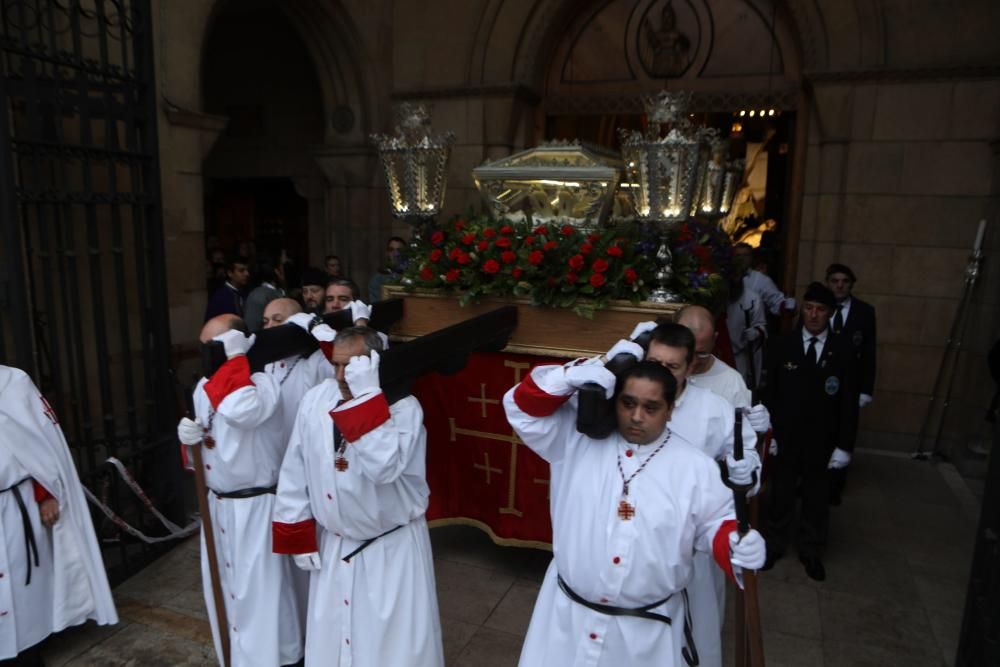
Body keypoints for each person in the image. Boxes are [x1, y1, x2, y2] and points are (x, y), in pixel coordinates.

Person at [504, 356, 766, 666]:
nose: (636, 416)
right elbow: (524, 409)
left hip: (644, 639)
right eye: (627, 404)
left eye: (650, 408)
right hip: (566, 624)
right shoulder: (574, 441)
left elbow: (716, 526)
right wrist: (569, 375)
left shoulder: (695, 468)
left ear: (670, 410)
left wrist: (737, 545)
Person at [272, 327, 444, 666]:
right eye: (335, 365)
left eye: (351, 366)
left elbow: (384, 465)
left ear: (373, 364)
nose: (340, 376)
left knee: (392, 650)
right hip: (334, 547)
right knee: (333, 646)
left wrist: (367, 397)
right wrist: (297, 530)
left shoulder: (404, 407)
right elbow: (296, 466)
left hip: (389, 550)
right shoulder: (317, 399)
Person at [623, 322, 765, 667]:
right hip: (637, 537)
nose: (660, 373)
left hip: (694, 545)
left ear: (690, 367)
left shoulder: (715, 409)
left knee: (697, 634)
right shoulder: (626, 404)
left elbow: (748, 463)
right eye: (654, 362)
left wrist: (746, 475)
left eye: (671, 367)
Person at [176, 315, 304, 666]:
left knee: (261, 596)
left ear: (238, 344)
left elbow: (241, 411)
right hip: (218, 507)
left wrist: (236, 361)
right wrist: (188, 439)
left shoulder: (261, 383)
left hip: (254, 506)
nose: (207, 356)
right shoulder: (206, 385)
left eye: (215, 347)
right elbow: (209, 441)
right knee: (228, 589)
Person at [0, 365, 118, 664]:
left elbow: (42, 443)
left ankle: (27, 654)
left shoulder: (12, 382)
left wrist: (46, 493)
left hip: (16, 506)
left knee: (21, 587)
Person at [761, 283, 856, 581]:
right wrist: (769, 433)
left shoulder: (842, 350)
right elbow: (769, 394)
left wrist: (844, 446)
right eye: (809, 308)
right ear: (802, 309)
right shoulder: (782, 344)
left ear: (830, 314)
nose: (814, 315)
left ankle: (811, 550)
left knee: (817, 498)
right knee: (781, 494)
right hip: (787, 436)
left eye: (821, 310)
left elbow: (848, 402)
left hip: (822, 439)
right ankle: (774, 545)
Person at [825, 263, 877, 505]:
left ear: (851, 284)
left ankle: (835, 485)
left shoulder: (864, 312)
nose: (839, 285)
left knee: (844, 431)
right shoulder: (819, 308)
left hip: (850, 383)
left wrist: (866, 388)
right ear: (828, 283)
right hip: (822, 382)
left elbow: (869, 352)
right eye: (835, 280)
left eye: (844, 281)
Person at [732, 243, 796, 317]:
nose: (742, 259)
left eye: (745, 255)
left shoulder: (761, 280)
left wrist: (788, 305)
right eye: (738, 255)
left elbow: (777, 301)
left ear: (751, 258)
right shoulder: (724, 278)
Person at [243, 257, 286, 333]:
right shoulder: (258, 296)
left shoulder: (279, 292)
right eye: (282, 269)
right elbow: (252, 329)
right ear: (277, 271)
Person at [204, 255, 250, 322]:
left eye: (247, 270)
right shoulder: (220, 296)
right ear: (230, 273)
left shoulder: (246, 292)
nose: (247, 274)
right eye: (241, 270)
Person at [367, 236, 407, 302]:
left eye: (399, 250)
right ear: (387, 253)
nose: (395, 254)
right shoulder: (377, 279)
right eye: (391, 250)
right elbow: (377, 305)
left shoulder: (412, 275)